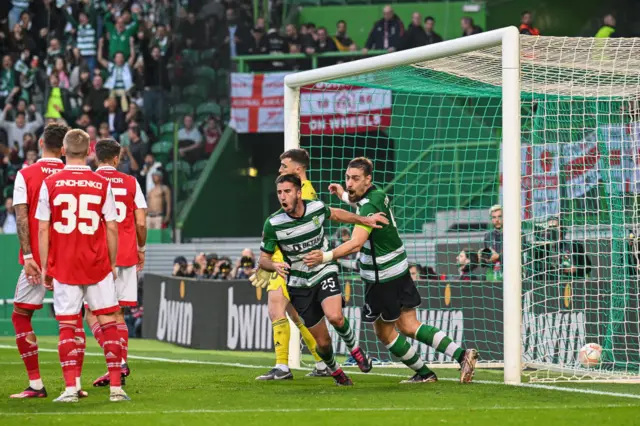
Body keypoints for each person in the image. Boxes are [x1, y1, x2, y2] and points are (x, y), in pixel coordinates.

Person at [304, 157, 478, 384]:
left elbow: (356, 242)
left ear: (368, 179)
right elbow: (361, 204)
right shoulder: (376, 194)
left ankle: (425, 374)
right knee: (409, 325)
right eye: (347, 178)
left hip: (382, 278)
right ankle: (461, 355)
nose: (349, 183)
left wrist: (324, 256)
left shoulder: (368, 206)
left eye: (355, 179)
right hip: (399, 269)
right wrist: (343, 196)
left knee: (385, 333)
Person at [251, 173, 389, 386]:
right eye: (279, 192)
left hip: (323, 270)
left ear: (298, 192)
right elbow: (263, 259)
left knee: (335, 317)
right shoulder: (274, 223)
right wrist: (274, 265)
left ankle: (355, 349)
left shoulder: (315, 208)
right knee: (323, 343)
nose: (283, 197)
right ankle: (335, 370)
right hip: (298, 285)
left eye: (287, 191)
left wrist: (364, 219)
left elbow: (336, 214)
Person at [35, 128, 129, 402]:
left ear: (64, 151)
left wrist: (44, 266)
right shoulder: (102, 183)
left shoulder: (51, 183)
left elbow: (43, 229)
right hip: (97, 262)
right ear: (89, 151)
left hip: (65, 264)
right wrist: (112, 262)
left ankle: (70, 389)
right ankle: (116, 388)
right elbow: (112, 227)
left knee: (67, 325)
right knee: (108, 321)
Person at [251, 149, 328, 380]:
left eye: (284, 166)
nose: (280, 170)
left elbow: (298, 226)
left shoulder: (304, 193)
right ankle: (322, 363)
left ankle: (282, 366)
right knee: (296, 315)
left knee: (276, 309)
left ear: (298, 169)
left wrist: (272, 259)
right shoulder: (305, 190)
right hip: (286, 260)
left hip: (288, 262)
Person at [9, 124, 68, 399]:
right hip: (75, 258)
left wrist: (30, 256)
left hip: (39, 260)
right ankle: (75, 386)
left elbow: (22, 217)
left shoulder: (26, 174)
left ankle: (35, 384)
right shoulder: (80, 176)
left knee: (21, 315)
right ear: (65, 148)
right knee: (75, 319)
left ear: (41, 142)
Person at [89, 138, 148, 388]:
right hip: (125, 255)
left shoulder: (89, 182)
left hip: (97, 255)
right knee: (118, 313)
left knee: (93, 312)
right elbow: (142, 222)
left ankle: (118, 361)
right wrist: (141, 248)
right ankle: (120, 361)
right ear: (117, 158)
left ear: (95, 157)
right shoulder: (131, 182)